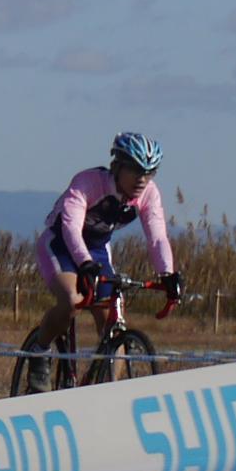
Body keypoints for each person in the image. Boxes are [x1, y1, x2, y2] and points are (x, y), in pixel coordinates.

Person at [23, 133, 181, 359]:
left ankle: (111, 378)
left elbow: (157, 238)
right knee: (72, 301)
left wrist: (167, 273)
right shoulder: (88, 183)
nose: (142, 179)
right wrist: (84, 263)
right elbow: (71, 228)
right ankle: (39, 352)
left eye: (149, 172)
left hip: (97, 250)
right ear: (117, 167)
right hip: (60, 245)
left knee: (112, 319)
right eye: (135, 170)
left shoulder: (149, 194)